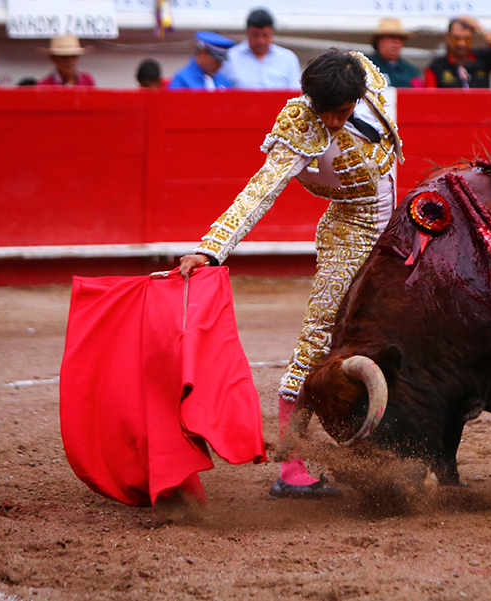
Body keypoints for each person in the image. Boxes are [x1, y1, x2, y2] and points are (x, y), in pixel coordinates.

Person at [178, 50, 403, 499]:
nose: (332, 123)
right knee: (316, 342)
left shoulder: (367, 76)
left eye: (340, 113)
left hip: (395, 229)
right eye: (325, 113)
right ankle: (292, 466)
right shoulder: (300, 126)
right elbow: (260, 192)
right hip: (350, 235)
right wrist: (212, 249)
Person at [220, 8, 301, 89]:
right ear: (247, 32)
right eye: (255, 35)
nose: (260, 41)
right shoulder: (231, 57)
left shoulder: (288, 58)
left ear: (272, 33)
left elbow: (295, 91)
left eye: (265, 35)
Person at [425, 15, 491, 88]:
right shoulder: (436, 67)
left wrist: (482, 29)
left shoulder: (482, 59)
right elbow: (430, 99)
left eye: (467, 39)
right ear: (447, 37)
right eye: (456, 39)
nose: (461, 44)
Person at [366, 17, 422, 88]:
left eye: (400, 38)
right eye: (391, 37)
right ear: (379, 41)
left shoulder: (411, 70)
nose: (396, 42)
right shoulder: (366, 67)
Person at [169, 31, 236, 90]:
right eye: (216, 60)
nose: (219, 65)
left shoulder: (223, 80)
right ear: (203, 53)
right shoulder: (183, 79)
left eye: (221, 61)